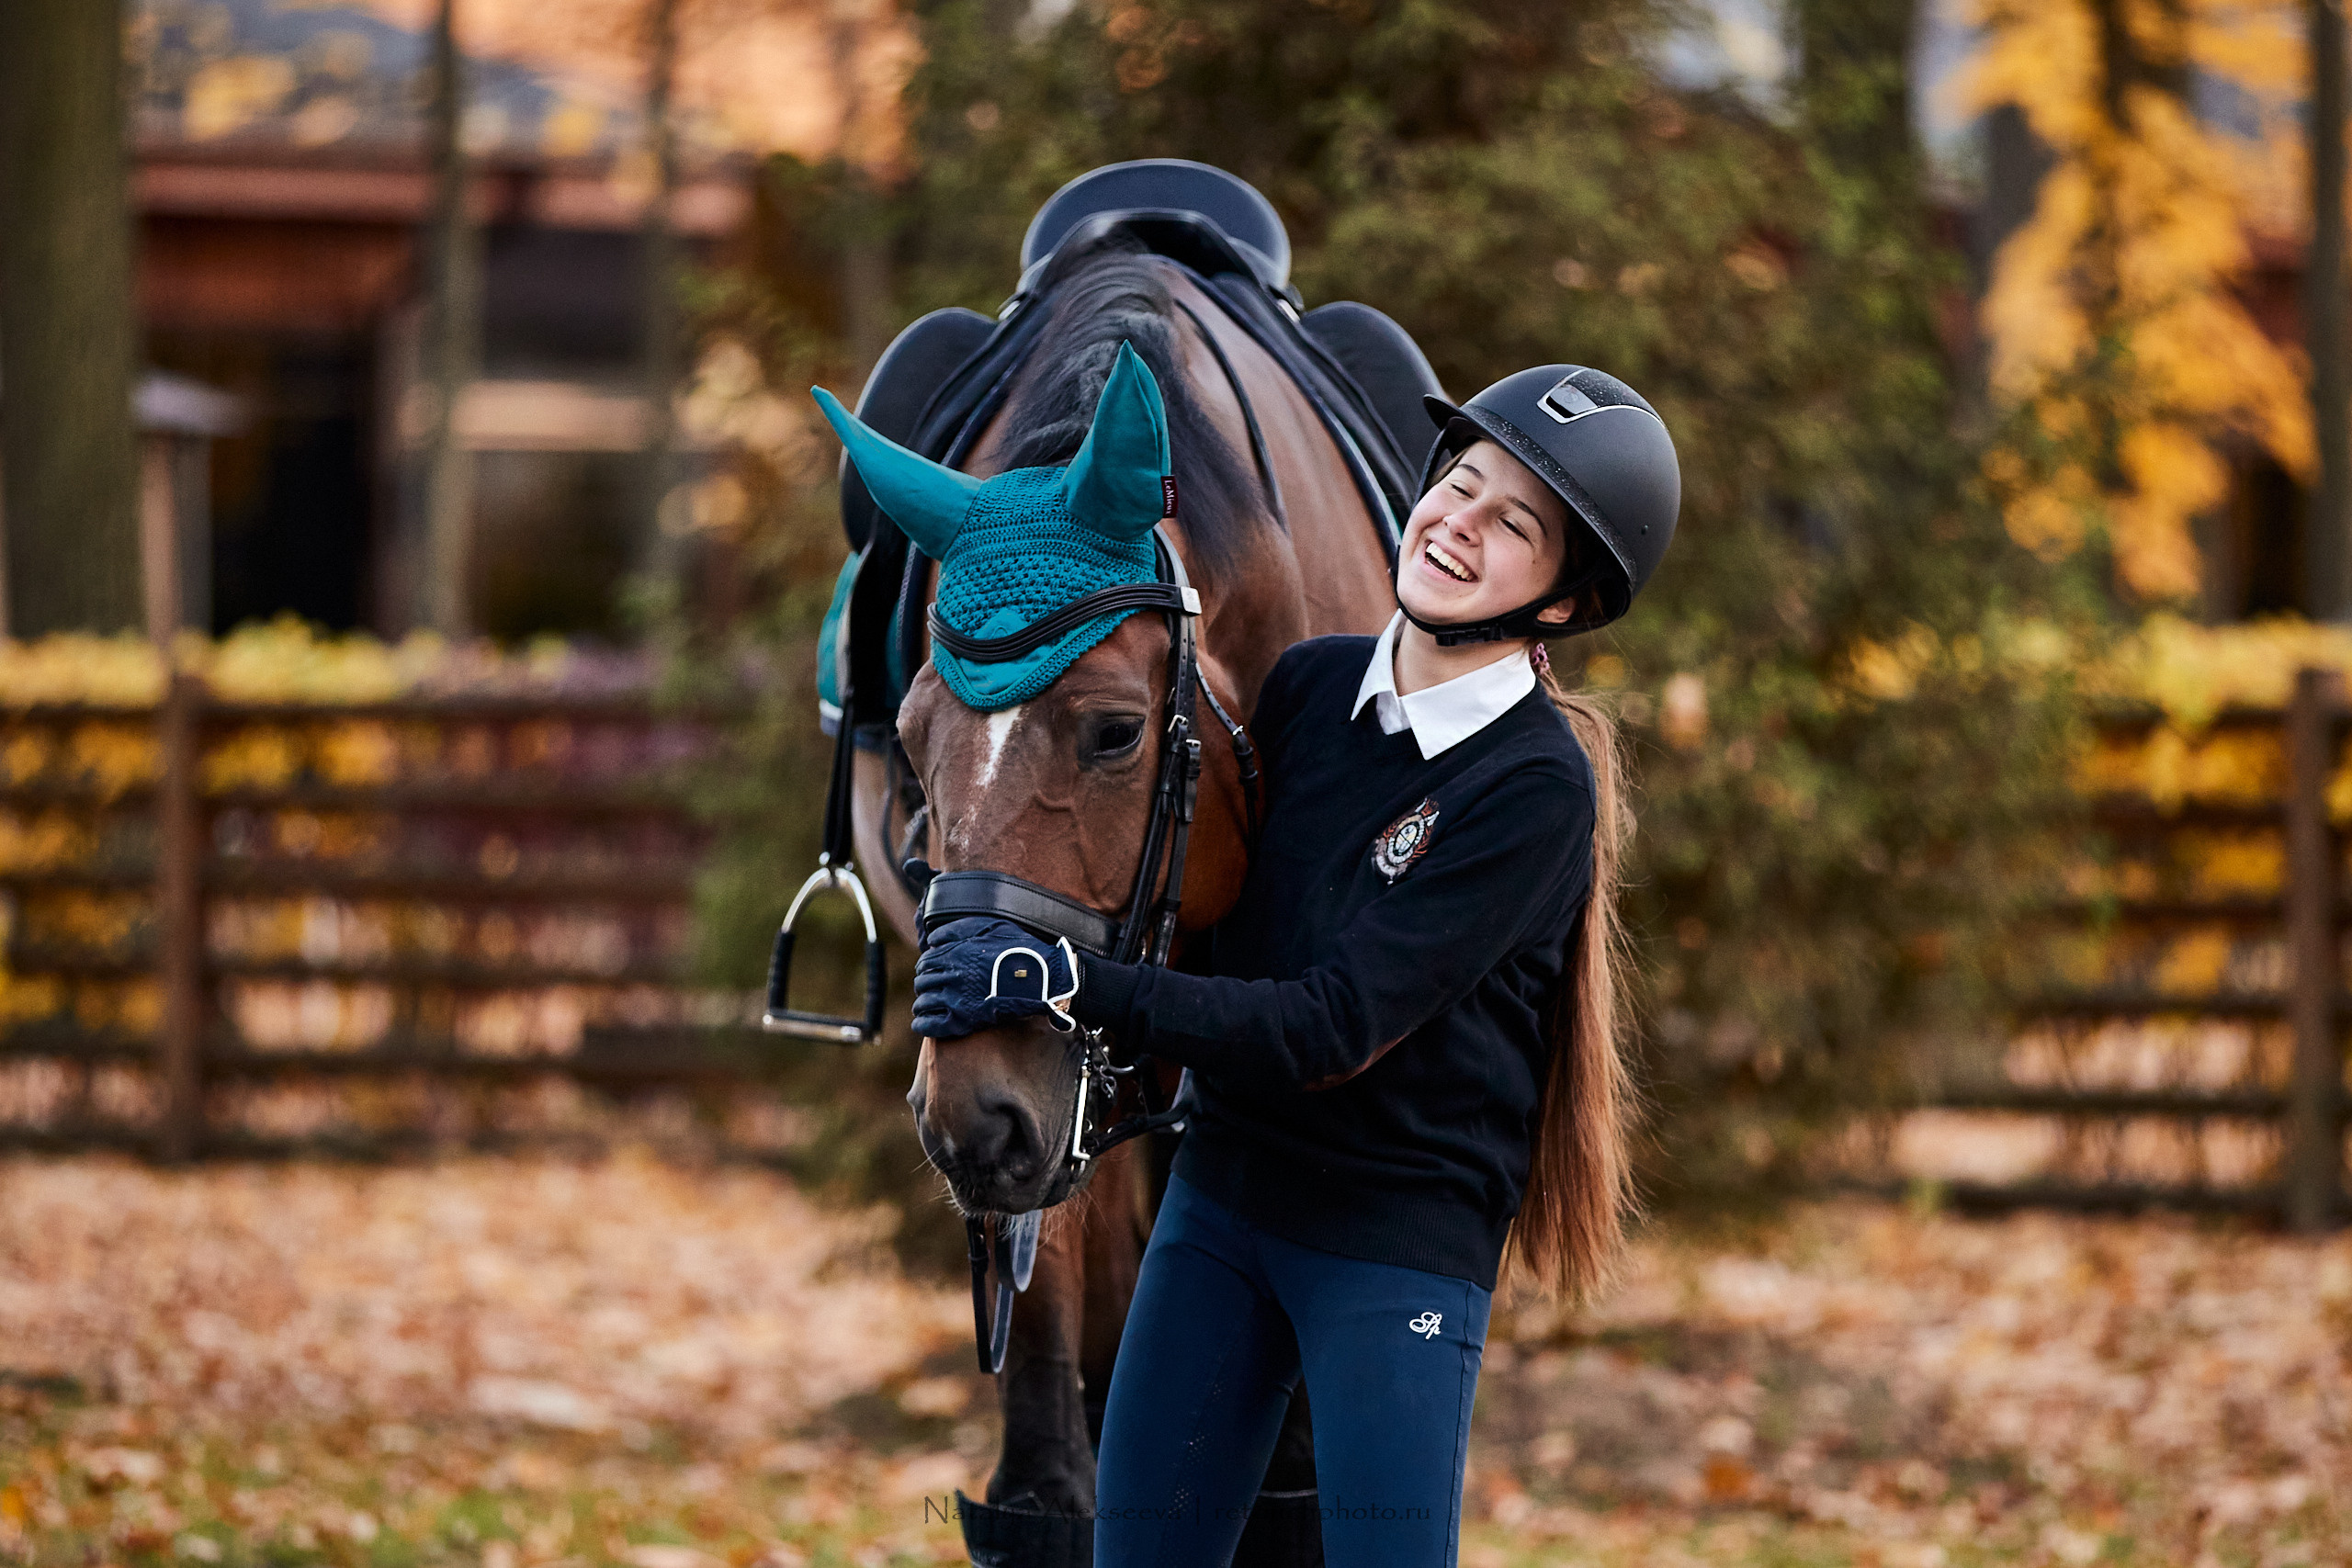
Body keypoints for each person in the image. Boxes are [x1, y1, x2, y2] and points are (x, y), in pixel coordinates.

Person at [912, 366, 1680, 1568]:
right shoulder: (1311, 689)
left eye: (1513, 523)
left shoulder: (1534, 786)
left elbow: (1329, 1026)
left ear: (1567, 605)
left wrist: (1056, 976)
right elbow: (1207, 932)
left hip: (1389, 1250)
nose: (1459, 524)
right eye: (1459, 487)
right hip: (1221, 1212)